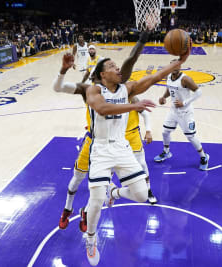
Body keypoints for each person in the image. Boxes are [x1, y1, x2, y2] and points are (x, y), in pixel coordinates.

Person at [83, 44, 191, 265]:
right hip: (101, 149)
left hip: (122, 148)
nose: (118, 69)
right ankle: (91, 239)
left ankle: (114, 193)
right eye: (112, 66)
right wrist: (133, 107)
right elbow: (102, 109)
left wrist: (180, 60)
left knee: (142, 195)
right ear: (103, 74)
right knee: (95, 201)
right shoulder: (94, 90)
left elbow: (155, 76)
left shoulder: (127, 89)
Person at [53, 31, 158, 231]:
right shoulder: (89, 91)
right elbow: (58, 87)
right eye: (109, 68)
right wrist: (63, 70)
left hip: (117, 144)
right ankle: (67, 209)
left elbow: (130, 60)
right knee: (77, 179)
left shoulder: (121, 90)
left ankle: (86, 211)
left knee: (100, 190)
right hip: (94, 142)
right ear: (98, 75)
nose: (115, 70)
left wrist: (143, 38)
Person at [154, 60, 209, 170]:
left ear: (180, 66)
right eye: (172, 66)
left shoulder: (185, 79)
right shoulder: (169, 77)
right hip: (173, 111)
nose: (174, 67)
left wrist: (184, 103)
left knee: (191, 137)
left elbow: (199, 92)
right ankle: (166, 152)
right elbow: (170, 89)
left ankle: (204, 157)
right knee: (165, 132)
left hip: (186, 113)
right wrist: (164, 97)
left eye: (177, 66)